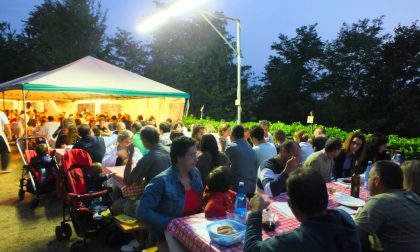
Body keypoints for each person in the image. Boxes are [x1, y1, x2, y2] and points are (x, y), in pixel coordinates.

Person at [245, 170, 361, 252]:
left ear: (291, 204)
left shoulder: (293, 241)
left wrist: (256, 211)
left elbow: (251, 248)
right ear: (326, 197)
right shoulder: (344, 217)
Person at [137, 136, 203, 249]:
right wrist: (173, 224)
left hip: (194, 233)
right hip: (167, 237)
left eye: (195, 154)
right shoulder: (161, 181)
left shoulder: (195, 173)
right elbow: (142, 212)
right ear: (178, 157)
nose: (196, 159)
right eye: (192, 155)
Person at [355, 161, 420, 251]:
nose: (367, 180)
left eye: (369, 177)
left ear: (376, 181)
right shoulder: (413, 197)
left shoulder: (379, 201)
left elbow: (353, 236)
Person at [225, 125, 257, 198]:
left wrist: (223, 146)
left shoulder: (231, 146)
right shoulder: (250, 146)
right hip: (252, 188)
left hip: (238, 188)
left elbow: (223, 164)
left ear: (232, 136)